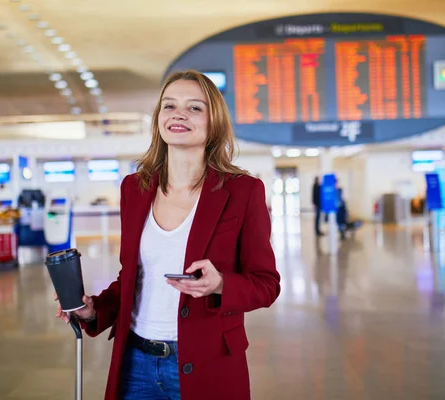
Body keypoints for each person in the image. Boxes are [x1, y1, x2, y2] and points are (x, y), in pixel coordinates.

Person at [55, 70, 281, 400]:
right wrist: (95, 309)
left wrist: (220, 284)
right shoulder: (135, 188)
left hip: (208, 363)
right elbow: (132, 277)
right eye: (169, 105)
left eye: (194, 108)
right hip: (136, 365)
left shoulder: (242, 191)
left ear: (213, 122)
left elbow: (266, 284)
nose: (178, 114)